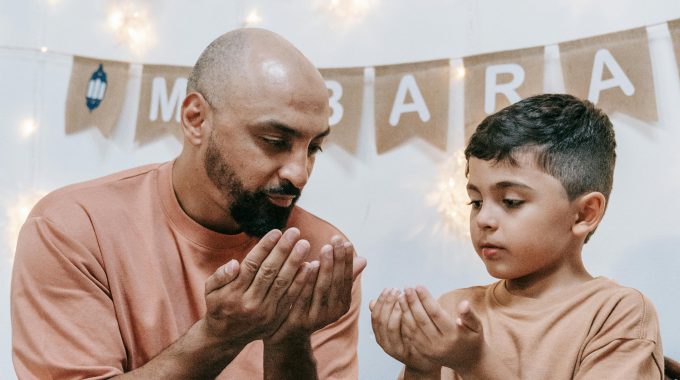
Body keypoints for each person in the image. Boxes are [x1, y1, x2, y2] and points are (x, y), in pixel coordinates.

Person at [11, 28, 367, 379]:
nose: (300, 173)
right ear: (196, 119)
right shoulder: (73, 227)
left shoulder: (322, 255)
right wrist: (219, 337)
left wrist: (290, 340)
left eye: (314, 148)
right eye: (275, 141)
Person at [370, 94, 664, 379]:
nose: (483, 219)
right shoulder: (454, 313)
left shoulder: (618, 313)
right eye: (476, 201)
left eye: (511, 201)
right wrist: (422, 371)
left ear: (584, 214)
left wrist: (476, 363)